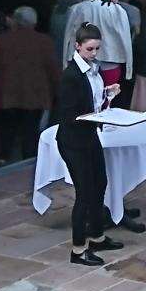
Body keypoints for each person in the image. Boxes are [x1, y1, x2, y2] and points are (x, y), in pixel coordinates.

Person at [57, 23, 122, 266]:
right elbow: (67, 113)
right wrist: (92, 117)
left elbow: (91, 100)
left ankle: (96, 235)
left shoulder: (92, 71)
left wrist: (107, 93)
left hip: (89, 136)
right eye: (89, 49)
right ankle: (78, 249)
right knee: (84, 193)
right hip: (74, 141)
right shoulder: (71, 75)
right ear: (77, 46)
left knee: (100, 184)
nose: (94, 53)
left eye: (96, 49)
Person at [0, 7, 57, 161]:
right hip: (35, 95)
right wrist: (57, 91)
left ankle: (4, 159)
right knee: (30, 132)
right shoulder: (45, 41)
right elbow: (52, 69)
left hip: (8, 94)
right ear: (34, 22)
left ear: (16, 21)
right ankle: (29, 163)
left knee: (7, 130)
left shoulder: (2, 40)